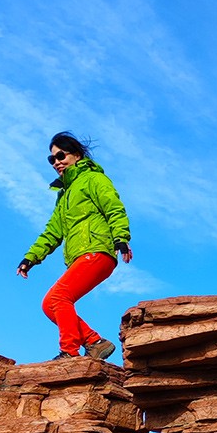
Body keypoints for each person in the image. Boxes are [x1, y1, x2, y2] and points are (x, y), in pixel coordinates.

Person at [16, 133, 132, 361]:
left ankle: (69, 352)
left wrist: (121, 237)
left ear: (77, 155)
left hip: (97, 251)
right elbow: (52, 231)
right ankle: (94, 342)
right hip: (80, 256)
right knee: (50, 304)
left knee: (59, 298)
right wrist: (30, 258)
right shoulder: (64, 195)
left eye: (61, 155)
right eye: (52, 159)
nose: (56, 162)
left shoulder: (94, 179)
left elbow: (114, 207)